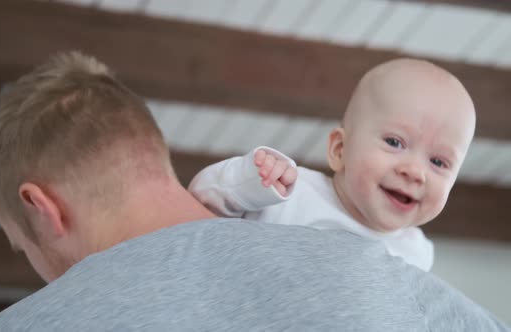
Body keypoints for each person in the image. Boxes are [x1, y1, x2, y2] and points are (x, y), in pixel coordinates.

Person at [0, 52, 509, 331]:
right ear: (150, 152)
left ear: (40, 208)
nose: (414, 170)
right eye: (395, 142)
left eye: (20, 246)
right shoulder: (399, 286)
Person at [189, 58, 476, 272]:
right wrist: (253, 179)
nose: (415, 172)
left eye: (439, 161)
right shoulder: (292, 192)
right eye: (394, 142)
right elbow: (200, 198)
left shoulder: (417, 254)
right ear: (340, 149)